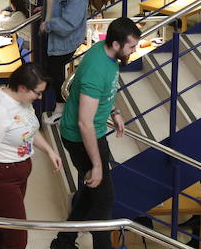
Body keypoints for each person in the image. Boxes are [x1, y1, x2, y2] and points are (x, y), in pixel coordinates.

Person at [51, 17, 140, 249]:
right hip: (81, 137)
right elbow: (84, 123)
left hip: (93, 131)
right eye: (131, 46)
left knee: (93, 194)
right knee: (104, 200)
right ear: (117, 44)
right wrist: (97, 165)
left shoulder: (107, 53)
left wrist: (115, 111)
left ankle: (64, 242)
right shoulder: (96, 68)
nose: (134, 50)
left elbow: (103, 93)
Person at [0, 63, 62, 249]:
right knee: (17, 239)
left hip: (18, 173)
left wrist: (49, 150)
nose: (39, 98)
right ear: (22, 88)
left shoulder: (23, 102)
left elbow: (29, 129)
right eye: (37, 93)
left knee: (1, 228)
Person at [40, 0, 89, 125]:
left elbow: (71, 20)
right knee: (52, 71)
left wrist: (48, 24)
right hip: (53, 32)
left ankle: (62, 108)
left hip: (64, 38)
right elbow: (53, 0)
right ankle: (63, 106)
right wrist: (45, 9)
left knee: (55, 72)